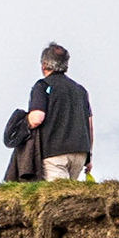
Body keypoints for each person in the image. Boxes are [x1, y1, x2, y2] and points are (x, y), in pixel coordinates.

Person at [27, 42, 92, 181]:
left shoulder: (43, 86)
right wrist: (89, 157)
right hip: (80, 152)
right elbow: (89, 125)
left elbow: (36, 118)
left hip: (54, 153)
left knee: (58, 193)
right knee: (69, 191)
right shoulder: (80, 90)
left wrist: (23, 122)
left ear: (44, 64)